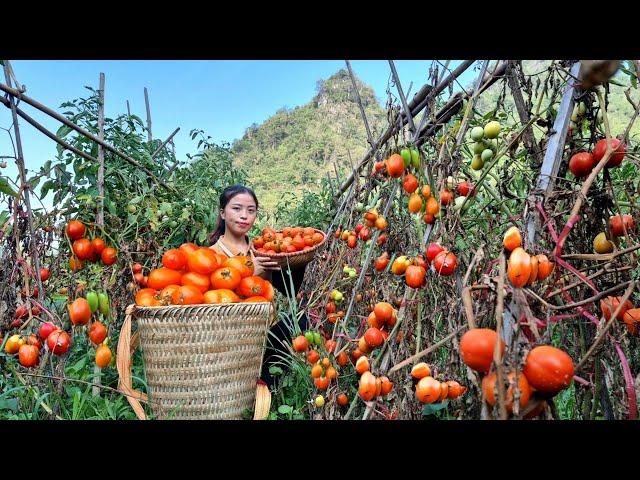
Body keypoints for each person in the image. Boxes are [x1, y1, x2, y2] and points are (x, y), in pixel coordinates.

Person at [207, 185, 307, 389]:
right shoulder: (211, 255)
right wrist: (251, 274)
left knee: (302, 319)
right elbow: (208, 301)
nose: (244, 216)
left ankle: (265, 385)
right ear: (223, 213)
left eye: (250, 211)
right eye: (237, 209)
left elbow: (290, 290)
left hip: (263, 333)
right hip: (228, 337)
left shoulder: (263, 250)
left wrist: (293, 262)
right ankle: (257, 387)